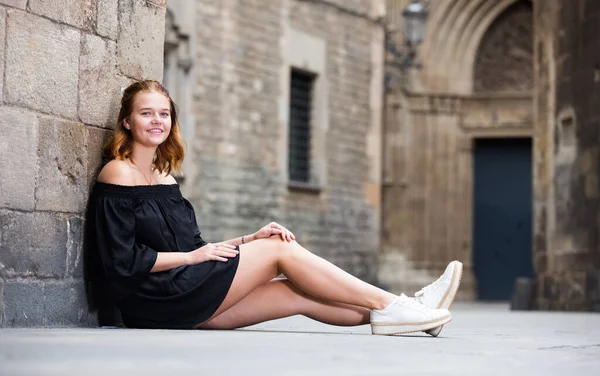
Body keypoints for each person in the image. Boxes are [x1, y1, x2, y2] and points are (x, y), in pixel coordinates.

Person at [88, 79, 463, 335]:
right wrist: (196, 257)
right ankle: (398, 303)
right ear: (127, 120)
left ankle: (413, 317)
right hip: (152, 300)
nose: (157, 121)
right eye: (146, 113)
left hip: (185, 296)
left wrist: (249, 238)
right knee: (280, 251)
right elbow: (122, 262)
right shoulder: (118, 174)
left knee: (295, 293)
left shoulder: (165, 177)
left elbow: (197, 246)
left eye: (164, 113)